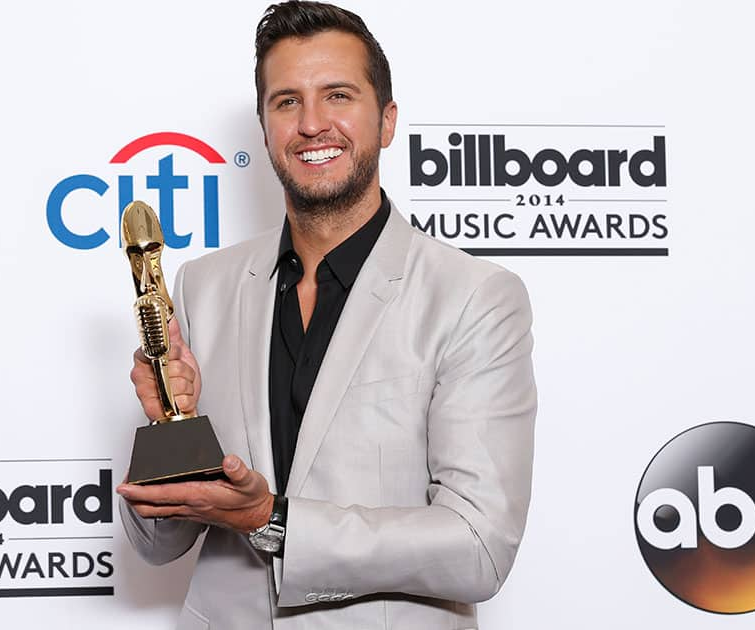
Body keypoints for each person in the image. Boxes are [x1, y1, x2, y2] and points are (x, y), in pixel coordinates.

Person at [116, 2, 537, 628]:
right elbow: (155, 546)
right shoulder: (202, 286)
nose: (313, 124)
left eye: (337, 95)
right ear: (264, 129)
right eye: (287, 102)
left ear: (387, 121)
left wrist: (273, 521)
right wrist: (170, 431)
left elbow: (479, 547)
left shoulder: (475, 297)